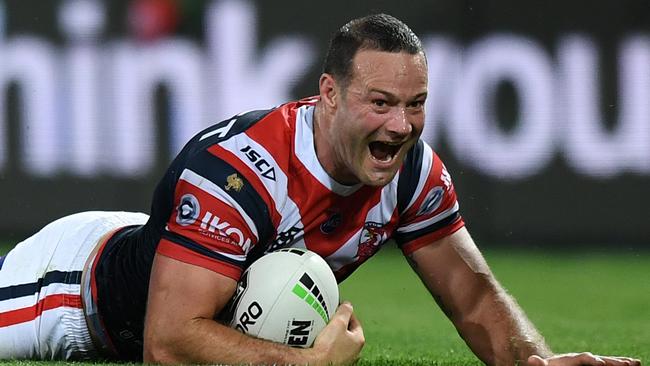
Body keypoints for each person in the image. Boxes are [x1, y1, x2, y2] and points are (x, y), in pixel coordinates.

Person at [0, 13, 641, 366]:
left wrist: (536, 364)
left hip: (178, 268)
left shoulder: (411, 171)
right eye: (381, 102)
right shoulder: (240, 172)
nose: (401, 125)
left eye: (415, 104)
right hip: (71, 295)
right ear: (329, 95)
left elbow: (472, 296)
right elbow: (168, 344)